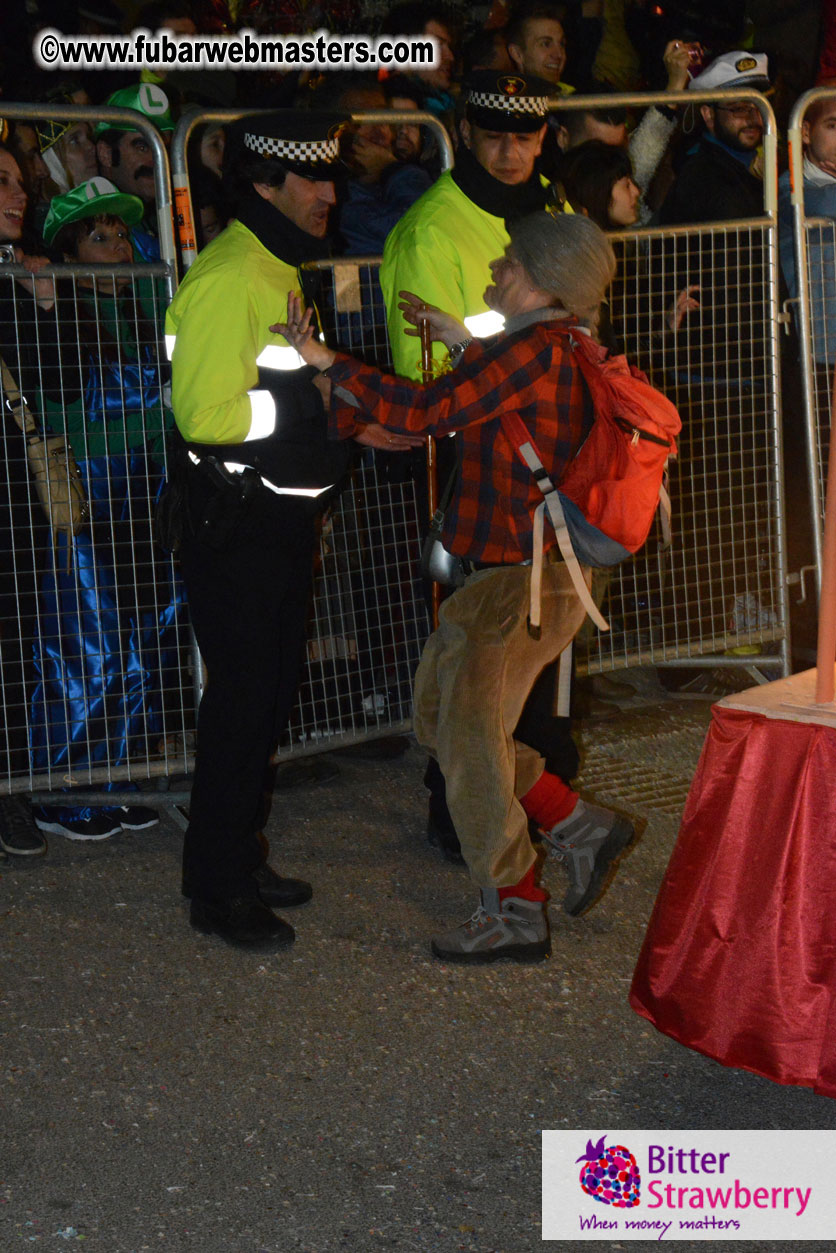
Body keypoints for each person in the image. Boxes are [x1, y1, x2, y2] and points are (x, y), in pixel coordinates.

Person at [276, 212, 635, 963]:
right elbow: (497, 394)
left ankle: (514, 907)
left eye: (511, 261)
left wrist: (323, 357)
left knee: (469, 742)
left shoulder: (531, 352)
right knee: (442, 720)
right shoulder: (549, 345)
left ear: (542, 281)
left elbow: (427, 412)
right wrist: (463, 339)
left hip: (518, 586)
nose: (497, 269)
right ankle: (578, 826)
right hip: (510, 583)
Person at [164, 112, 420, 952]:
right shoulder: (232, 275)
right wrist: (309, 409)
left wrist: (349, 422)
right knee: (243, 706)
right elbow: (205, 415)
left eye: (329, 177)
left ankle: (237, 853)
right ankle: (218, 886)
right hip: (236, 527)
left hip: (273, 521)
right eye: (311, 179)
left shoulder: (274, 263)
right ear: (264, 185)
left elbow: (289, 385)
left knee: (266, 697)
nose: (329, 194)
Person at [379, 71, 584, 859]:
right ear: (465, 133)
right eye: (493, 136)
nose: (508, 152)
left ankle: (544, 800)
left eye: (523, 137)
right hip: (475, 468)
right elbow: (424, 373)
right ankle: (463, 812)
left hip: (546, 462)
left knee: (537, 653)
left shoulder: (553, 210)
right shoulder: (433, 229)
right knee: (474, 666)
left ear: (543, 138)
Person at [28, 177, 181, 841]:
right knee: (87, 646)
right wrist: (157, 414)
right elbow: (64, 413)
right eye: (98, 236)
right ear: (69, 253)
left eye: (121, 234)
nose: (117, 247)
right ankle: (61, 790)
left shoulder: (144, 309)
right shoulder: (55, 320)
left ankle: (118, 774)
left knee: (144, 640)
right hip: (89, 501)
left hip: (146, 499)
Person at [0, 139, 52, 858]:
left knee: (12, 637)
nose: (19, 195)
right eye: (1, 182)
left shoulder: (24, 271)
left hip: (11, 486)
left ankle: (9, 790)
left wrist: (43, 303)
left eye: (19, 182)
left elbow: (57, 385)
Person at [659, 51, 770, 226]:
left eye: (760, 106)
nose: (753, 118)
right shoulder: (706, 179)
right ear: (709, 114)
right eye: (739, 108)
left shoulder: (747, 164)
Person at [94, 84, 174, 262]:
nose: (158, 161)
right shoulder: (89, 228)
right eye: (142, 147)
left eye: (164, 149)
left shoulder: (163, 218)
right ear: (106, 154)